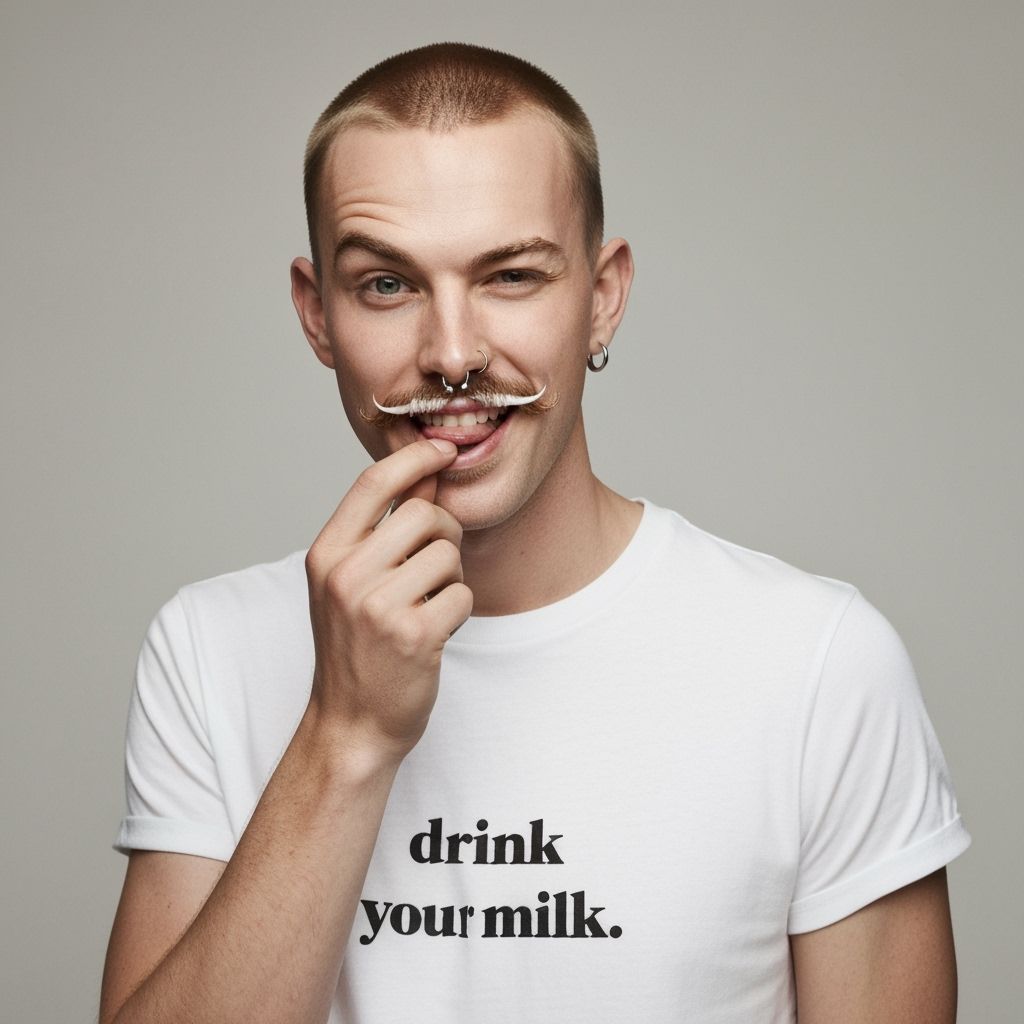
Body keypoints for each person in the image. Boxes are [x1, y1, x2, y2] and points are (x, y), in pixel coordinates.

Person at [99, 42, 971, 1024]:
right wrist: (343, 739)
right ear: (317, 317)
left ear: (600, 299)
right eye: (387, 284)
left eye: (509, 274)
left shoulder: (819, 664)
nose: (456, 353)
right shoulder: (208, 650)